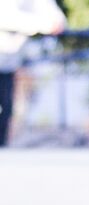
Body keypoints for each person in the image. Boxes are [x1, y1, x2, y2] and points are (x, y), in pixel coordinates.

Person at [0, 0, 65, 146]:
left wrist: (42, 24)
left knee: (6, 108)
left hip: (7, 65)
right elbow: (5, 17)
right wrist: (39, 24)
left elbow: (58, 21)